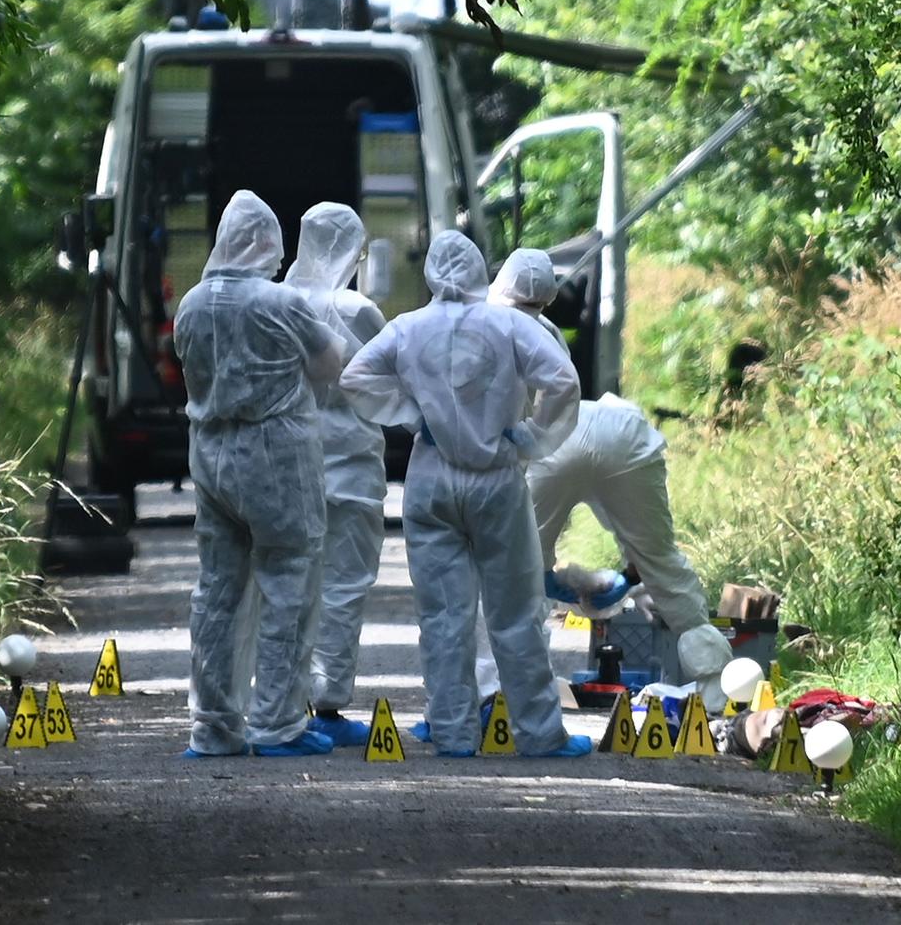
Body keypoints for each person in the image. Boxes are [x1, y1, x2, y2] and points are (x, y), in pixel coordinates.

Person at [340, 232, 592, 758]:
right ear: (482, 271)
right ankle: (541, 735)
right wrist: (533, 437)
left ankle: (454, 733)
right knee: (515, 613)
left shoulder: (408, 327)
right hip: (496, 477)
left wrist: (412, 415)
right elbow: (563, 382)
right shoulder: (509, 325)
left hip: (430, 476)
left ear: (430, 272)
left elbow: (356, 376)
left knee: (442, 617)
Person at [486, 248, 736, 709]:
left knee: (520, 571)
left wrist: (555, 580)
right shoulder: (548, 330)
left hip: (550, 446)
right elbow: (644, 553)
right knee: (662, 560)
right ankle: (717, 686)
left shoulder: (485, 324)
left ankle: (518, 692)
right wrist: (627, 576)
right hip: (624, 434)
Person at [174, 191, 345, 757]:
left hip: (210, 453)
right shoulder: (281, 302)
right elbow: (328, 363)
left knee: (218, 591)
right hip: (276, 455)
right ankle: (277, 723)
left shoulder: (192, 305)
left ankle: (213, 728)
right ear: (261, 243)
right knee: (289, 582)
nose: (278, 258)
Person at [283, 204, 389, 747]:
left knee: (289, 583)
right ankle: (326, 705)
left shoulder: (278, 304)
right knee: (345, 584)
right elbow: (394, 370)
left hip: (291, 464)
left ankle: (281, 698)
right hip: (352, 465)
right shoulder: (359, 308)